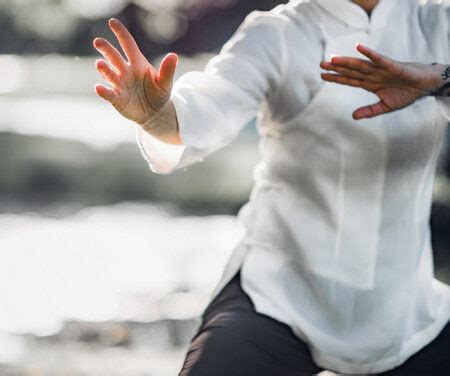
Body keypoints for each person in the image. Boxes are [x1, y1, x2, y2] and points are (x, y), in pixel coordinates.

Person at [92, 0, 450, 374]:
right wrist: (158, 115)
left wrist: (439, 79)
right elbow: (209, 105)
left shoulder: (437, 21)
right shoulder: (276, 33)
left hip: (407, 310)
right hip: (276, 296)